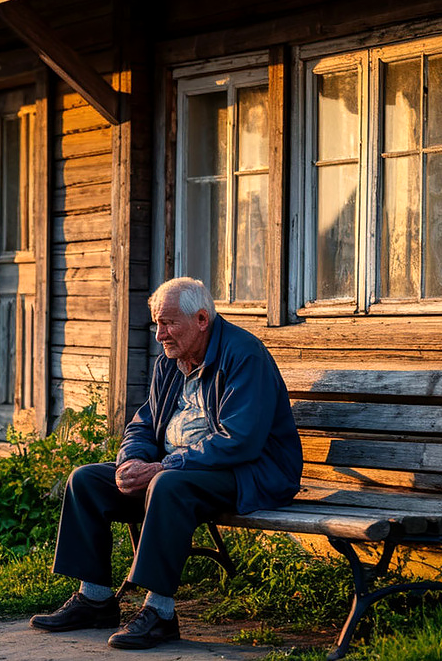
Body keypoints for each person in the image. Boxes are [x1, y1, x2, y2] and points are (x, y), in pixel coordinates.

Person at [29, 276, 303, 649]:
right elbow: (143, 423)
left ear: (202, 319)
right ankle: (94, 599)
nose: (160, 334)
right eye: (157, 323)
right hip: (182, 469)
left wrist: (164, 467)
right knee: (87, 480)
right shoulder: (171, 360)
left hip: (250, 473)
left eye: (169, 323)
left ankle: (159, 613)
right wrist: (132, 461)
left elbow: (241, 441)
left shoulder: (244, 356)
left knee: (167, 485)